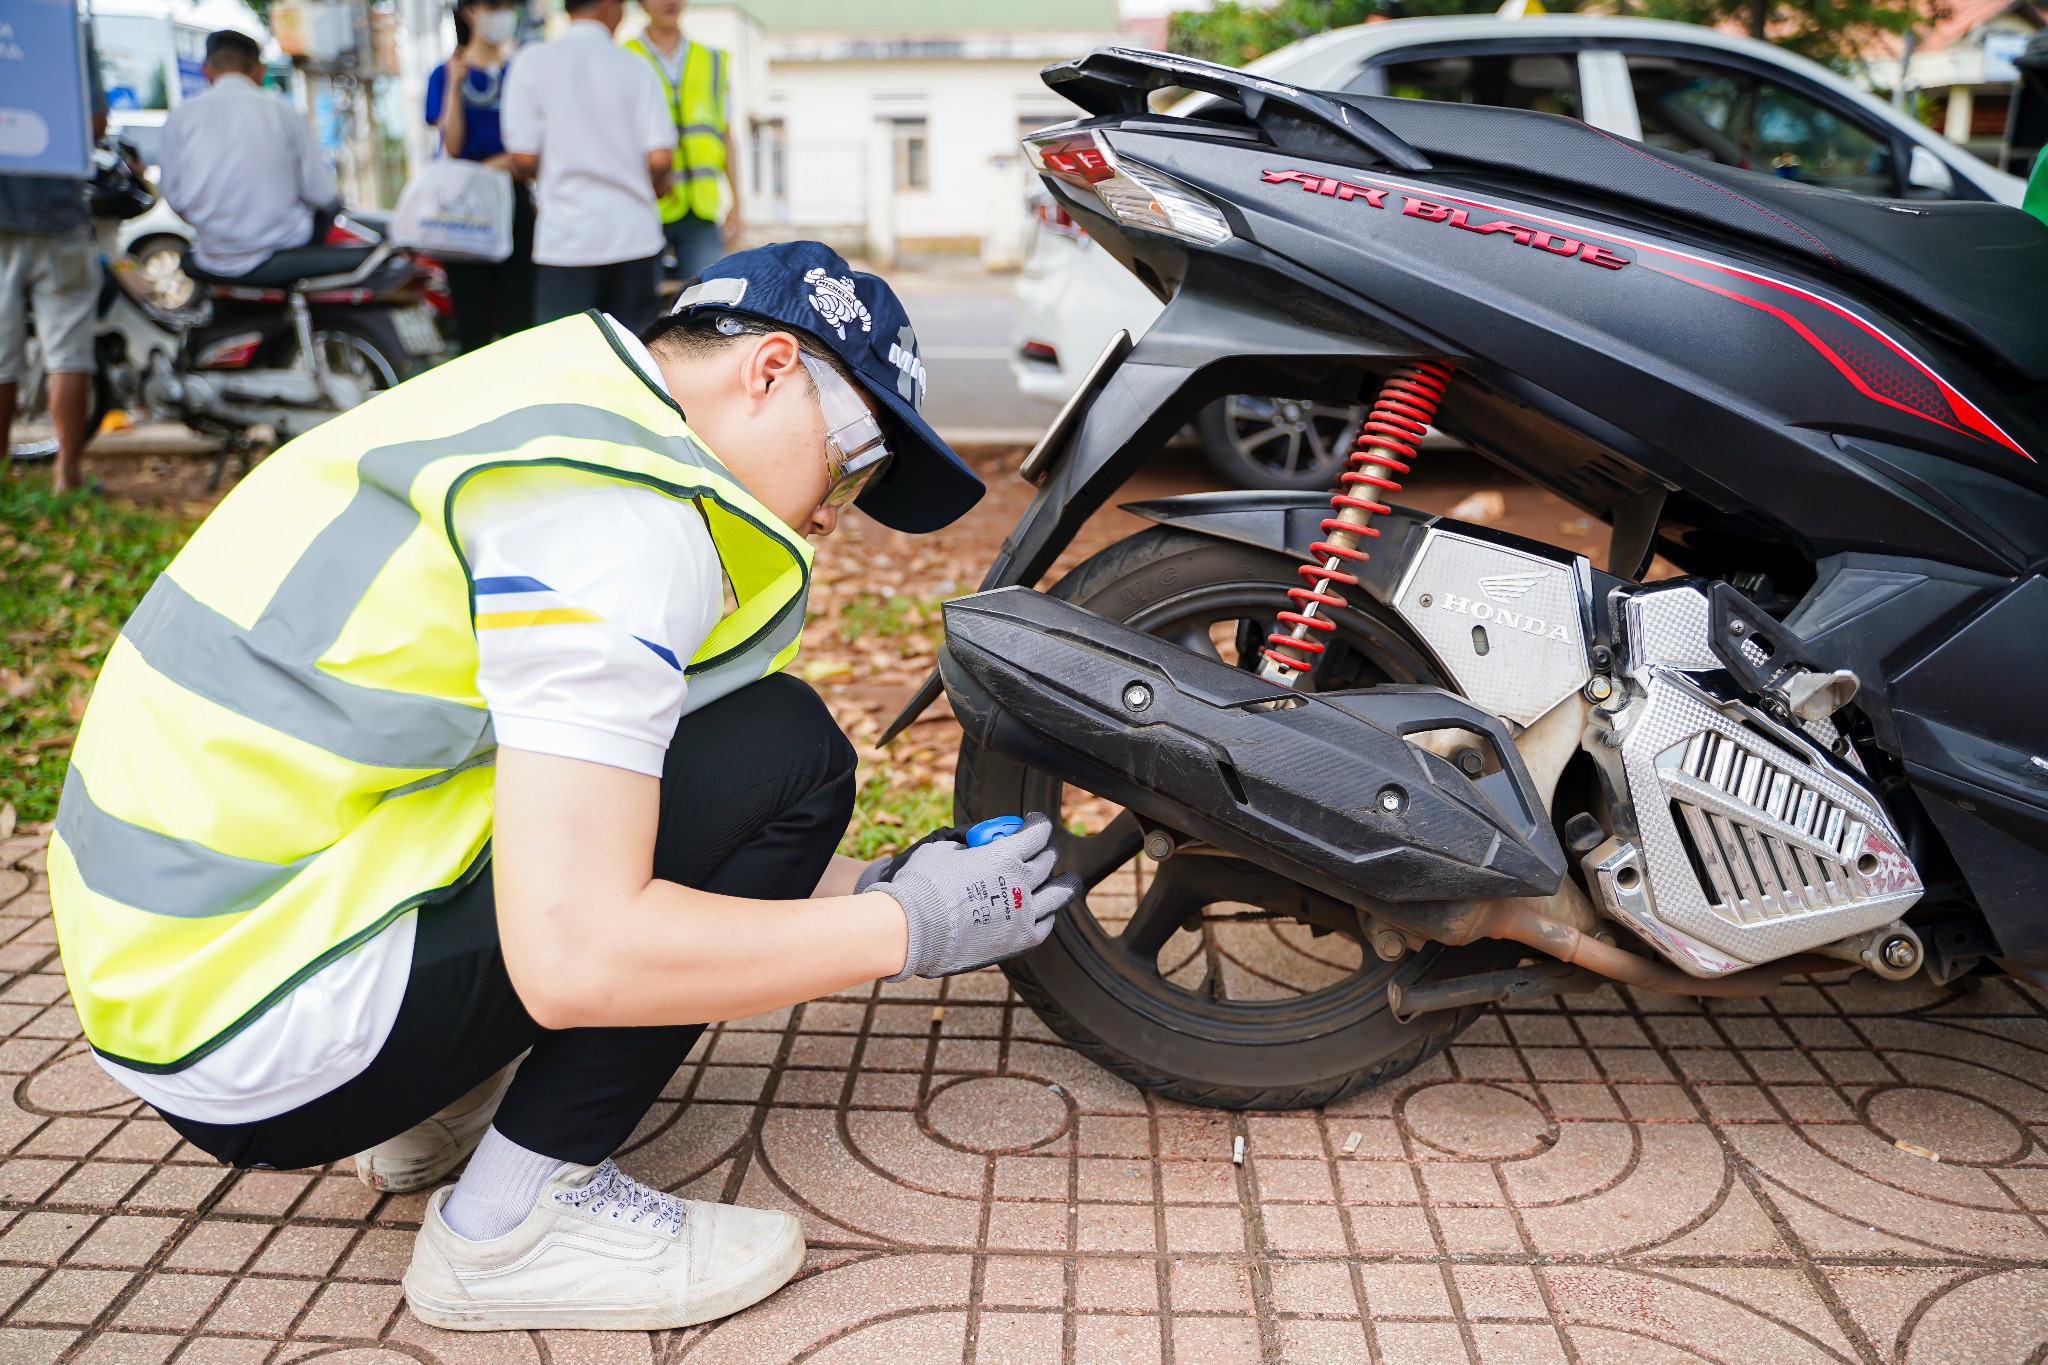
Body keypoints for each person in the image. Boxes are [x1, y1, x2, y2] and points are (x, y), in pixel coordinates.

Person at [49, 240, 1074, 1331]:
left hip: (188, 956)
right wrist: (905, 930)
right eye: (854, 463)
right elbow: (579, 956)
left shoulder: (543, 402)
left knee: (729, 755)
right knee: (785, 757)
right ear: (771, 369)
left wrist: (870, 883)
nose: (834, 514)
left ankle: (428, 1106)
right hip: (253, 1028)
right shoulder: (615, 518)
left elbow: (576, 805)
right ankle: (511, 1227)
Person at [502, 0, 672, 333]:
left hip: (568, 241)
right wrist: (655, 184)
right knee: (637, 361)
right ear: (610, 6)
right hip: (633, 237)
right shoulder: (637, 67)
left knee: (567, 363)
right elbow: (661, 157)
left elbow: (522, 158)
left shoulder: (532, 62)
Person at [0, 17, 107, 494]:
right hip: (58, 213)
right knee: (69, 354)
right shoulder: (63, 24)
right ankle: (67, 474)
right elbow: (95, 121)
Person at [160, 30, 341, 283]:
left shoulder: (179, 117)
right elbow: (321, 194)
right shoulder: (286, 113)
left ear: (206, 70)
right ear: (260, 71)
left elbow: (175, 197)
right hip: (284, 246)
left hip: (213, 254)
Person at [425, 0, 535, 352]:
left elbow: (529, 152)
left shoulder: (519, 71)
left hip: (513, 201)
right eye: (493, 5)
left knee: (520, 317)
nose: (502, 13)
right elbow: (453, 145)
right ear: (469, 12)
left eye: (507, 5)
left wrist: (490, 167)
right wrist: (454, 85)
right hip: (465, 207)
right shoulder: (445, 74)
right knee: (471, 321)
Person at [625, 0, 743, 281]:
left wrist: (737, 205)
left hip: (700, 210)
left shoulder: (713, 60)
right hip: (642, 206)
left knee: (709, 304)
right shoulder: (624, 58)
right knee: (638, 309)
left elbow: (724, 134)